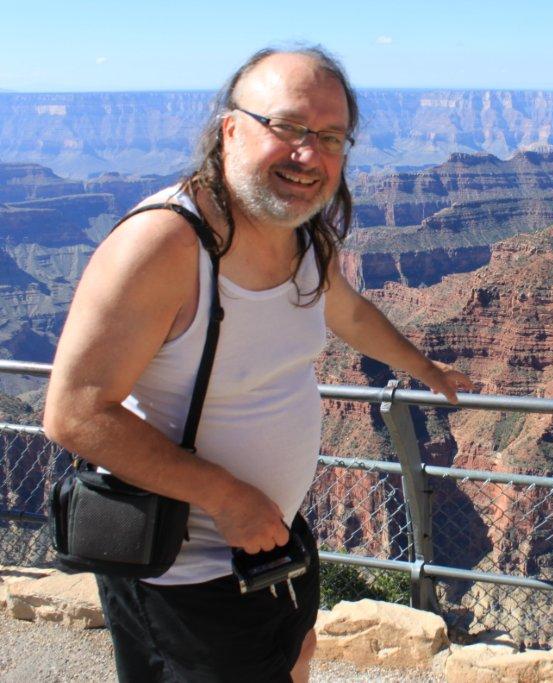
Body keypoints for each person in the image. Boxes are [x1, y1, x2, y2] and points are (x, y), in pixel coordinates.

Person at [43, 46, 472, 682]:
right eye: (288, 127)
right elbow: (75, 414)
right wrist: (227, 497)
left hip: (270, 538)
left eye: (330, 137)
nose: (309, 154)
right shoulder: (164, 244)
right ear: (230, 130)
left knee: (297, 656)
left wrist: (425, 368)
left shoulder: (301, 235)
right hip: (182, 575)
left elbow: (350, 314)